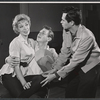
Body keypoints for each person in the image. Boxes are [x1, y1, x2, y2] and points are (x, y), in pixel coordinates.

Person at [41, 6, 100, 98]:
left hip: (90, 66)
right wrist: (56, 68)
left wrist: (55, 75)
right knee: (70, 92)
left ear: (71, 22)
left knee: (84, 95)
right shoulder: (66, 30)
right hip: (76, 64)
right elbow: (65, 51)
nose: (60, 22)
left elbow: (75, 61)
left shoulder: (87, 37)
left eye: (63, 20)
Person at [0, 14, 58, 98]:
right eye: (21, 26)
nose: (25, 28)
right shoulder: (17, 42)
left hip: (25, 73)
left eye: (26, 25)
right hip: (11, 72)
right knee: (20, 94)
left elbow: (57, 66)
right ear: (17, 29)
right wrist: (7, 59)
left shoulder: (31, 42)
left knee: (40, 80)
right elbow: (15, 65)